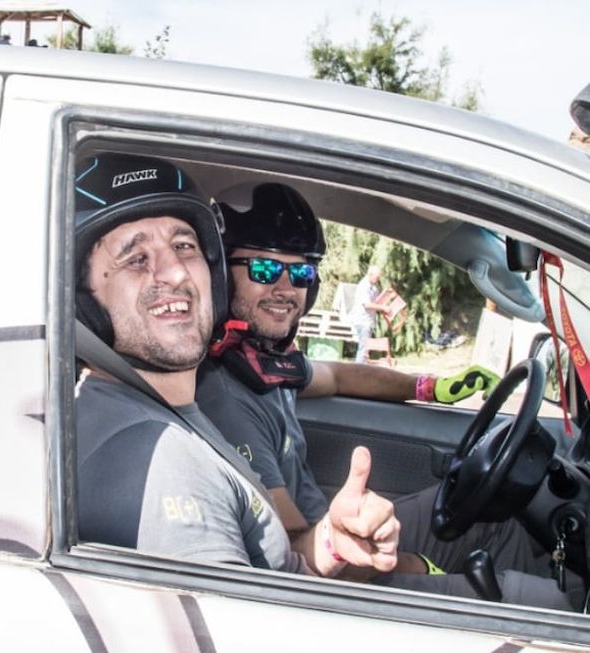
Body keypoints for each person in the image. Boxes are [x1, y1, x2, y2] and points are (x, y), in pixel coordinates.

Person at [196, 181, 570, 608]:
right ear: (222, 275)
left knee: (496, 521)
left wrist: (428, 386)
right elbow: (294, 554)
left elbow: (337, 376)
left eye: (300, 272)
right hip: (329, 577)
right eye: (264, 269)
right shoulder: (225, 400)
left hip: (337, 536)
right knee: (545, 603)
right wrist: (414, 565)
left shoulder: (263, 363)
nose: (285, 288)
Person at [74, 152, 399, 578]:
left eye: (184, 246)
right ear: (84, 300)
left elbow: (277, 569)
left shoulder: (171, 415)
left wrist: (332, 545)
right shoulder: (160, 459)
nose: (174, 272)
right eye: (136, 258)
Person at [350, 265, 388, 363]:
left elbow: (376, 303)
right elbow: (367, 304)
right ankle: (358, 370)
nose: (378, 279)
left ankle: (361, 369)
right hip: (362, 321)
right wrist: (383, 308)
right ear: (370, 275)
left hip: (369, 321)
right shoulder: (363, 286)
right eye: (377, 276)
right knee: (363, 348)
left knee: (365, 348)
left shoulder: (374, 288)